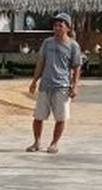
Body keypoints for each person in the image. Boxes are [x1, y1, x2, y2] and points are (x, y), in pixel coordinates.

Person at [26, 12, 82, 155]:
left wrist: (75, 86)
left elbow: (76, 67)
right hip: (45, 85)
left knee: (60, 118)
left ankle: (54, 143)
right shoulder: (47, 43)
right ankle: (37, 142)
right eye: (55, 25)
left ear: (67, 28)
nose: (57, 28)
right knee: (38, 117)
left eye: (60, 26)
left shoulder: (73, 46)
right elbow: (41, 62)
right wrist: (34, 81)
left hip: (62, 86)